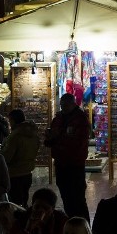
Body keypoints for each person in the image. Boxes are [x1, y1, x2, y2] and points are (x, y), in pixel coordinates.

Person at [45, 93, 90, 222]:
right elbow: (53, 136)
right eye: (61, 105)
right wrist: (50, 137)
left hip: (75, 164)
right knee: (66, 196)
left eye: (65, 105)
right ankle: (71, 222)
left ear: (73, 104)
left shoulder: (80, 119)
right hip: (60, 163)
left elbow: (78, 142)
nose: (63, 108)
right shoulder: (59, 118)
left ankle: (84, 226)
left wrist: (58, 140)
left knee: (78, 198)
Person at [0, 109, 41, 208]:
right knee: (24, 201)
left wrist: (1, 151)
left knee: (15, 205)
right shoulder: (33, 134)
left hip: (15, 174)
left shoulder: (15, 136)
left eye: (10, 121)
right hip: (27, 172)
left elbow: (7, 157)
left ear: (13, 120)